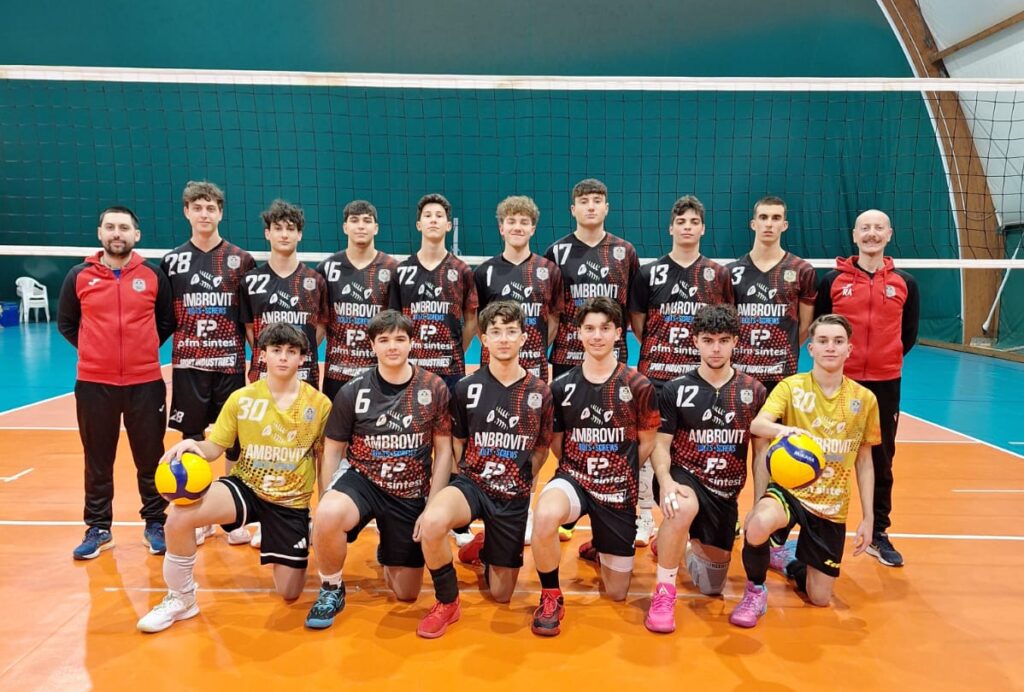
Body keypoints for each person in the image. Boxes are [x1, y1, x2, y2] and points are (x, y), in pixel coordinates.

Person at [136, 323, 331, 633]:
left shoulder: (319, 405)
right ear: (262, 355)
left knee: (289, 592)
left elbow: (323, 461)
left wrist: (323, 509)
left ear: (303, 358)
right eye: (276, 350)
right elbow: (215, 447)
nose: (283, 357)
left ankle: (296, 533)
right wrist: (194, 446)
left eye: (291, 351)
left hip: (290, 501)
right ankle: (181, 598)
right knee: (178, 518)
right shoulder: (243, 399)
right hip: (246, 487)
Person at [304, 310, 453, 631]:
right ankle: (331, 588)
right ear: (372, 345)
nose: (392, 346)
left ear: (412, 343)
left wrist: (432, 506)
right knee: (328, 514)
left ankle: (389, 544)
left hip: (410, 489)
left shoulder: (433, 387)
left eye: (400, 339)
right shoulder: (353, 390)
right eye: (384, 340)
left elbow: (444, 452)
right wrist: (326, 499)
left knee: (407, 594)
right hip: (364, 480)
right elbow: (333, 449)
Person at [729, 314, 879, 629]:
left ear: (849, 349)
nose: (830, 347)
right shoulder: (792, 387)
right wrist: (784, 432)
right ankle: (755, 591)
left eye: (838, 341)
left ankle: (790, 563)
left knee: (820, 597)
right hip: (791, 489)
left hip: (831, 503)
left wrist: (869, 518)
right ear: (811, 348)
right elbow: (758, 425)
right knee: (757, 525)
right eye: (822, 341)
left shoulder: (864, 400)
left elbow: (865, 461)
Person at [415, 301, 553, 638]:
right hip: (473, 485)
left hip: (512, 495)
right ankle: (447, 601)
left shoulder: (540, 392)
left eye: (511, 331)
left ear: (524, 338)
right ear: (484, 339)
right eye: (496, 332)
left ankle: (486, 544)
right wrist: (471, 472)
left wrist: (521, 477)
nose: (504, 339)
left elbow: (541, 447)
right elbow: (458, 441)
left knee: (502, 594)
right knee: (432, 522)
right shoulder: (466, 388)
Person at [530, 297, 660, 637]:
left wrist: (618, 470)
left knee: (617, 593)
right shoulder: (561, 386)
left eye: (605, 328)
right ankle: (551, 595)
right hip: (575, 478)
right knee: (544, 515)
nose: (597, 336)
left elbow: (647, 442)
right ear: (579, 333)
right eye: (589, 328)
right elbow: (558, 442)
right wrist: (580, 468)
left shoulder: (638, 385)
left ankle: (602, 543)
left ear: (618, 333)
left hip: (618, 489)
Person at [59, 206, 175, 560]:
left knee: (150, 458)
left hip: (145, 383)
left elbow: (166, 321)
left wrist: (141, 351)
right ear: (100, 233)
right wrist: (96, 352)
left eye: (124, 228)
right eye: (110, 227)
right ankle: (98, 528)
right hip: (95, 384)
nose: (116, 233)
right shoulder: (79, 276)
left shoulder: (153, 275)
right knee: (97, 460)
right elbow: (67, 323)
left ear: (136, 235)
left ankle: (155, 523)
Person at [645, 304, 766, 633]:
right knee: (681, 507)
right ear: (695, 341)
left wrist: (759, 501)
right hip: (685, 475)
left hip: (724, 492)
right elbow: (660, 444)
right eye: (708, 340)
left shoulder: (754, 391)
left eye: (723, 340)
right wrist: (665, 481)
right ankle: (664, 592)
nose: (716, 348)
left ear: (735, 342)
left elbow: (760, 454)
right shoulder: (675, 389)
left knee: (712, 585)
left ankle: (676, 544)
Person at [814, 209, 920, 567]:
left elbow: (908, 335)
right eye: (865, 228)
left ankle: (878, 533)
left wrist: (884, 359)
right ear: (855, 235)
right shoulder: (832, 281)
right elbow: (821, 328)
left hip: (884, 383)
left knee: (881, 458)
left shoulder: (905, 283)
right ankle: (813, 523)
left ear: (889, 234)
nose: (871, 233)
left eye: (878, 228)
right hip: (837, 380)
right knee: (822, 453)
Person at [628, 195, 733, 546]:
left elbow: (723, 322)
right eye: (681, 222)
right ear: (670, 228)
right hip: (656, 375)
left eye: (694, 222)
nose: (687, 227)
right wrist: (662, 351)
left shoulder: (718, 274)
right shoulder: (649, 273)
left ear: (703, 229)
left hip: (698, 378)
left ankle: (687, 521)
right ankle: (644, 515)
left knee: (692, 449)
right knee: (648, 447)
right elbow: (639, 322)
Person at [161, 180, 256, 548]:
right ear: (187, 212)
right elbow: (164, 317)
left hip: (229, 365)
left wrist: (255, 362)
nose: (204, 214)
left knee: (234, 442)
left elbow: (250, 318)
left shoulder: (241, 260)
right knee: (192, 441)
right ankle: (199, 515)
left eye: (211, 208)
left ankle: (232, 519)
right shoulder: (172, 261)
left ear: (220, 213)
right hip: (189, 365)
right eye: (197, 207)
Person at [239, 199, 329, 547]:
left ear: (300, 234)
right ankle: (266, 517)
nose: (284, 234)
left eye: (291, 228)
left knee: (304, 451)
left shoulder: (314, 281)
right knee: (266, 449)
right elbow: (251, 329)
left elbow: (320, 327)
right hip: (263, 382)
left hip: (305, 383)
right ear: (267, 233)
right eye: (278, 228)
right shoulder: (252, 281)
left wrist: (296, 359)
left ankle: (306, 515)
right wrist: (271, 362)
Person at [473, 195, 562, 543]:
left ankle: (523, 509)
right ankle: (489, 508)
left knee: (530, 441)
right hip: (492, 373)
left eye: (524, 222)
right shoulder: (485, 271)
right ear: (501, 227)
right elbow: (479, 322)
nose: (517, 227)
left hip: (534, 370)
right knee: (494, 439)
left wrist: (532, 349)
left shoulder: (547, 270)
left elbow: (552, 319)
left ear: (533, 228)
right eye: (511, 221)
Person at [545, 178, 639, 379]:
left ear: (606, 208)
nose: (591, 207)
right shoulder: (556, 252)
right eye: (584, 201)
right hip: (567, 355)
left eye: (597, 201)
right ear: (573, 209)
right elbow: (550, 310)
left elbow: (633, 307)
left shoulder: (625, 251)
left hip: (613, 354)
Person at [388, 193, 478, 394]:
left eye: (439, 215)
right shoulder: (402, 271)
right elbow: (394, 321)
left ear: (449, 225)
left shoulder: (462, 270)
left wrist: (456, 351)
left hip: (450, 368)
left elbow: (472, 321)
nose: (433, 220)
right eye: (428, 215)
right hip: (411, 367)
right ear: (419, 225)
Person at [728, 196, 817, 393]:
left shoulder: (802, 270)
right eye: (763, 217)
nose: (769, 224)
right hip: (739, 372)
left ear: (784, 225)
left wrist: (784, 350)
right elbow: (725, 325)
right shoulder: (731, 271)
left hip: (781, 372)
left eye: (776, 218)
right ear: (753, 224)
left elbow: (805, 325)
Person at [317, 199, 399, 405]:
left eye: (367, 220)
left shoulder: (393, 269)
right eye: (354, 220)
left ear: (376, 228)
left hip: (378, 372)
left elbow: (398, 324)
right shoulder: (327, 268)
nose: (361, 226)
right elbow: (319, 323)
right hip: (337, 371)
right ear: (345, 227)